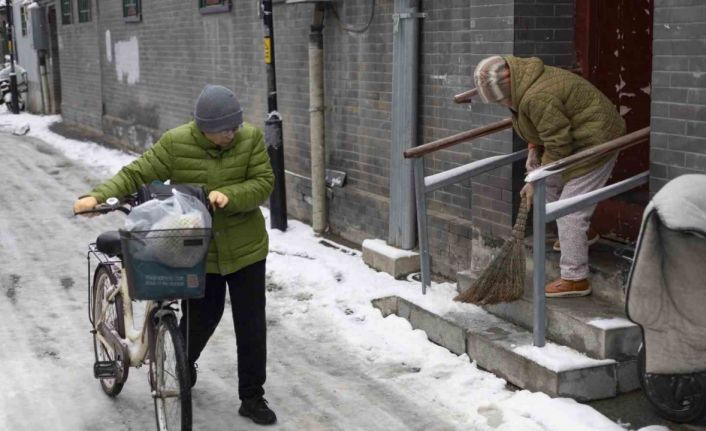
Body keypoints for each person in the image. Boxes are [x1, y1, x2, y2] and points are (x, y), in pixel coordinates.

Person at [73, 84, 277, 425]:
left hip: (246, 250)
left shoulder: (250, 139)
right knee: (201, 319)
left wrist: (230, 194)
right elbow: (137, 173)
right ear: (204, 129)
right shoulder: (176, 143)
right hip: (197, 250)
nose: (232, 134)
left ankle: (252, 396)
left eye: (235, 126)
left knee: (252, 325)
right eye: (225, 130)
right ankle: (184, 364)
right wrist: (97, 196)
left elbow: (263, 181)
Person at [473, 55, 626, 298]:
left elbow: (558, 142)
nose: (502, 105)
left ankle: (575, 278)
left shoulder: (537, 96)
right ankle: (582, 235)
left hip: (596, 142)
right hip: (572, 142)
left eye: (502, 100)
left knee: (569, 212)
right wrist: (533, 152)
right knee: (548, 193)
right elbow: (539, 126)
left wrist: (535, 179)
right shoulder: (525, 86)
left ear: (510, 86)